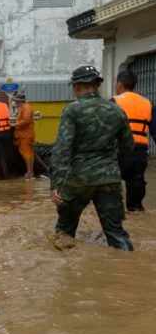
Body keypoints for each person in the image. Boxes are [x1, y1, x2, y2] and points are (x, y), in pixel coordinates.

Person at [49, 66, 135, 251]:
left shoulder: (72, 110)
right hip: (109, 179)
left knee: (64, 232)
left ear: (77, 86)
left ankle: (65, 276)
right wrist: (113, 167)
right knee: (116, 233)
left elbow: (62, 149)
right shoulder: (116, 110)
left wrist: (56, 183)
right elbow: (128, 146)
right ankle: (129, 270)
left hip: (77, 179)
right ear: (97, 85)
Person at [110, 70, 156, 212]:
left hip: (119, 150)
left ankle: (116, 214)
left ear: (120, 84)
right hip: (140, 152)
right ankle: (135, 209)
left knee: (111, 186)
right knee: (136, 184)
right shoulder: (147, 103)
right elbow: (155, 131)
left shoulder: (113, 102)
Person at [11, 91, 36, 179]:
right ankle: (30, 172)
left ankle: (29, 172)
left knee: (26, 153)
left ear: (18, 101)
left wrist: (15, 124)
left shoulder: (26, 108)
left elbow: (26, 120)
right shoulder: (25, 107)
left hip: (25, 135)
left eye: (15, 101)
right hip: (27, 134)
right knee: (30, 153)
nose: (15, 102)